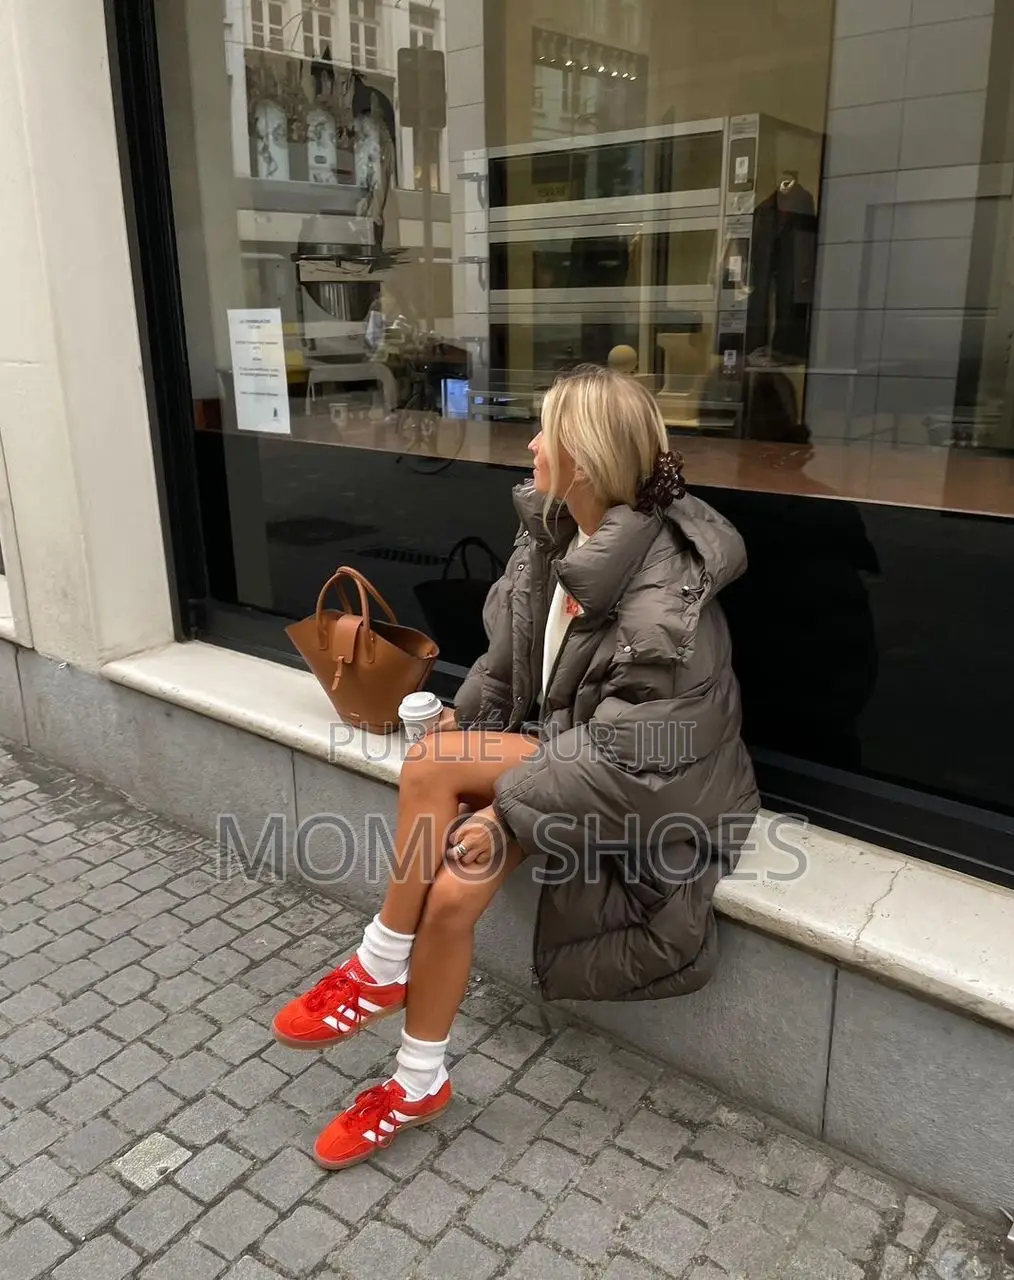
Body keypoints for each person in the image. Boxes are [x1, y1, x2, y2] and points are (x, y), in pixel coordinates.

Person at [271, 363, 760, 1171]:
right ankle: (418, 1081)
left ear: (588, 460)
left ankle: (378, 963)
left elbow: (644, 749)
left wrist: (502, 808)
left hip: (648, 786)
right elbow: (507, 666)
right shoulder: (551, 536)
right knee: (455, 887)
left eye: (547, 434)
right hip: (561, 751)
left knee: (432, 769)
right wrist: (470, 719)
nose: (530, 446)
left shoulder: (663, 586)